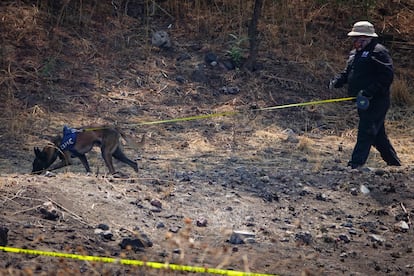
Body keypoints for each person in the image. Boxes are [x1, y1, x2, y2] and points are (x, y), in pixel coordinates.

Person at [329, 21, 401, 169]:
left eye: (358, 38)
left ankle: (355, 165)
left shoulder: (378, 51)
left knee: (366, 130)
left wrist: (369, 92)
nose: (355, 41)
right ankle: (394, 164)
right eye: (354, 38)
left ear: (367, 37)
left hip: (377, 100)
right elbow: (349, 72)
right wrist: (338, 81)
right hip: (362, 101)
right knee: (377, 135)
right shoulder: (356, 53)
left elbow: (386, 77)